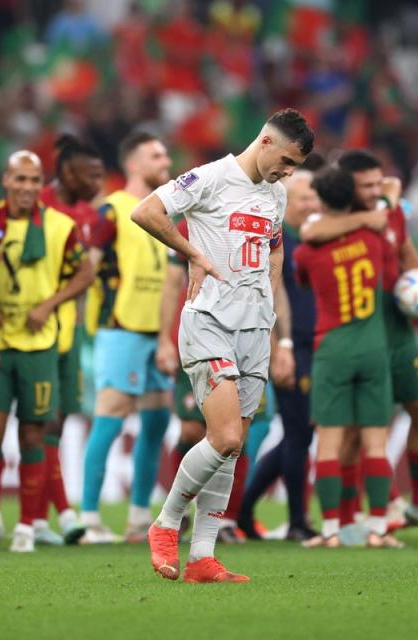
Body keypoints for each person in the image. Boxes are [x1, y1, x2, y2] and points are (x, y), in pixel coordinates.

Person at [132, 108, 313, 583]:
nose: (289, 172)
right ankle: (166, 522)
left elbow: (274, 253)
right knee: (225, 436)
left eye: (295, 167)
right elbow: (145, 211)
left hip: (255, 329)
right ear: (266, 142)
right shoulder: (209, 178)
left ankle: (202, 559)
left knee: (234, 447)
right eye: (288, 161)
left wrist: (274, 327)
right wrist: (192, 253)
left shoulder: (275, 194)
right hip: (209, 320)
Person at [301, 150, 418, 544]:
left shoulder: (389, 213)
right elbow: (310, 233)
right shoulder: (335, 223)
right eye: (365, 186)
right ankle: (354, 520)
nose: (373, 192)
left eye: (377, 184)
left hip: (397, 331)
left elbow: (406, 251)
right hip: (368, 332)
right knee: (357, 434)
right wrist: (379, 204)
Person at [0, 150, 94, 553]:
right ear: (5, 180)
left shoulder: (61, 226)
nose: (26, 187)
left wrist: (50, 304)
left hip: (41, 344)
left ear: (42, 185)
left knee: (32, 434)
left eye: (34, 180)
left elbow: (86, 272)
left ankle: (26, 526)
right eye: (19, 179)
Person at [155, 217, 284, 544]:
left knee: (236, 436)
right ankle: (177, 513)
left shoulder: (264, 213)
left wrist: (274, 337)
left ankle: (224, 521)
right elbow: (172, 282)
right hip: (203, 335)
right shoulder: (195, 219)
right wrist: (163, 340)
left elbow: (271, 274)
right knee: (193, 431)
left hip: (248, 336)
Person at [295, 167, 397, 548]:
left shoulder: (308, 251)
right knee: (376, 443)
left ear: (321, 200)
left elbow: (303, 278)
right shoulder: (373, 238)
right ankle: (377, 530)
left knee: (329, 445)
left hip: (332, 349)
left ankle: (332, 531)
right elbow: (390, 272)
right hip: (373, 346)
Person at [79, 132, 173, 544]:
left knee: (156, 422)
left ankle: (138, 517)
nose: (166, 160)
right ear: (133, 164)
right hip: (121, 329)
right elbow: (88, 267)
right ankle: (89, 518)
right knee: (110, 418)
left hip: (160, 332)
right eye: (156, 155)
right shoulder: (112, 211)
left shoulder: (167, 211)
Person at [237, 169, 320, 542]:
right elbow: (265, 296)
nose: (311, 204)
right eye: (303, 197)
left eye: (313, 197)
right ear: (285, 200)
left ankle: (244, 510)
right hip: (290, 346)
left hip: (313, 344)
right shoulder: (275, 239)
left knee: (299, 433)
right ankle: (297, 520)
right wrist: (276, 350)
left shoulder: (314, 238)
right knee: (298, 433)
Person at [35, 134, 104, 544]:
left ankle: (43, 517)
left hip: (72, 331)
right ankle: (59, 513)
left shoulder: (88, 216)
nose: (97, 183)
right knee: (42, 421)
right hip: (38, 327)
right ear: (67, 171)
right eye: (91, 174)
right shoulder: (38, 205)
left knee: (57, 423)